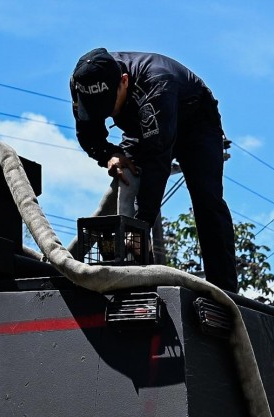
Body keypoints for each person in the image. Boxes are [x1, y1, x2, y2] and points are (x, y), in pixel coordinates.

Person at [70, 48, 239, 293]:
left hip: (194, 120)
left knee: (207, 200)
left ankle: (225, 290)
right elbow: (87, 131)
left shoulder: (157, 83)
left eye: (107, 107)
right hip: (142, 126)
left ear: (124, 82)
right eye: (95, 109)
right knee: (124, 180)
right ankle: (126, 274)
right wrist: (108, 154)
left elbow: (157, 162)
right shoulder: (82, 79)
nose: (103, 115)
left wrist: (141, 226)